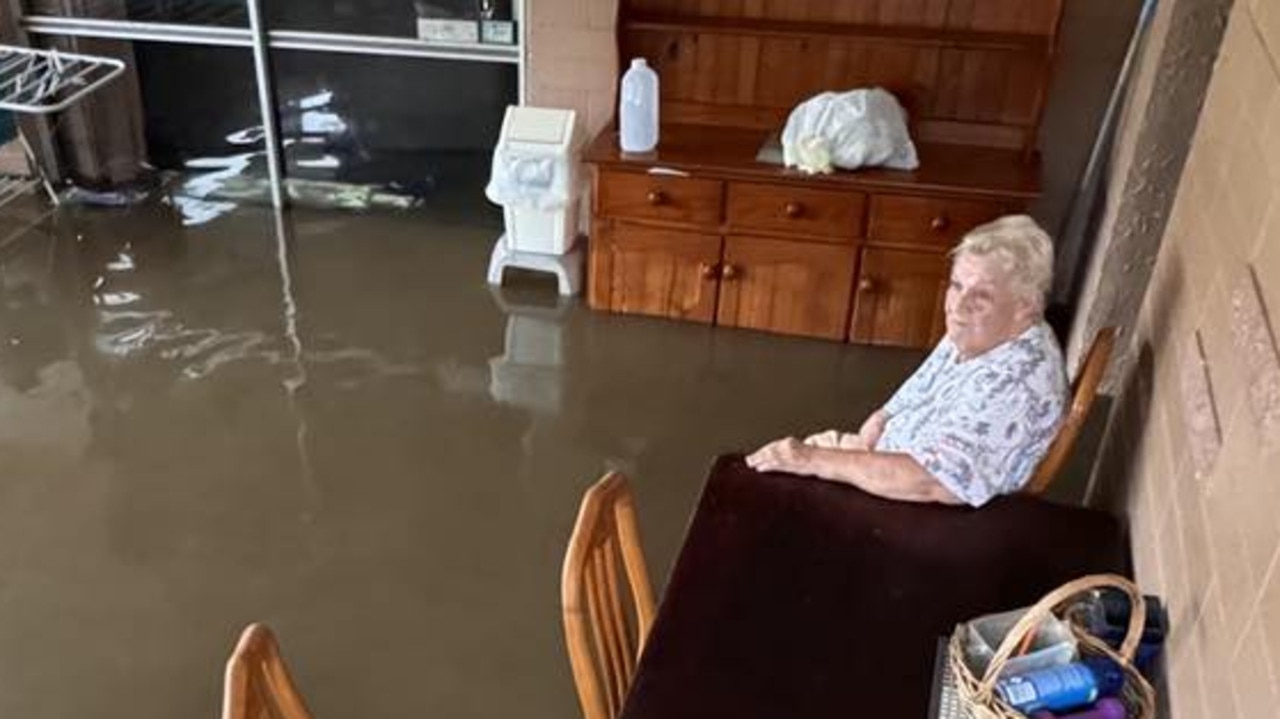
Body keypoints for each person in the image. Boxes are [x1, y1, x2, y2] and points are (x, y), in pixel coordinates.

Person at [746, 214, 1067, 507]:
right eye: (956, 286)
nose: (958, 306)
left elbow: (932, 482)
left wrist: (812, 460)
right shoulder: (984, 331)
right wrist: (881, 419)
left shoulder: (1015, 383)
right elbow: (924, 384)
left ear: (1026, 307)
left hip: (915, 508)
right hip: (887, 461)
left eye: (980, 297)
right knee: (764, 473)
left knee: (771, 487)